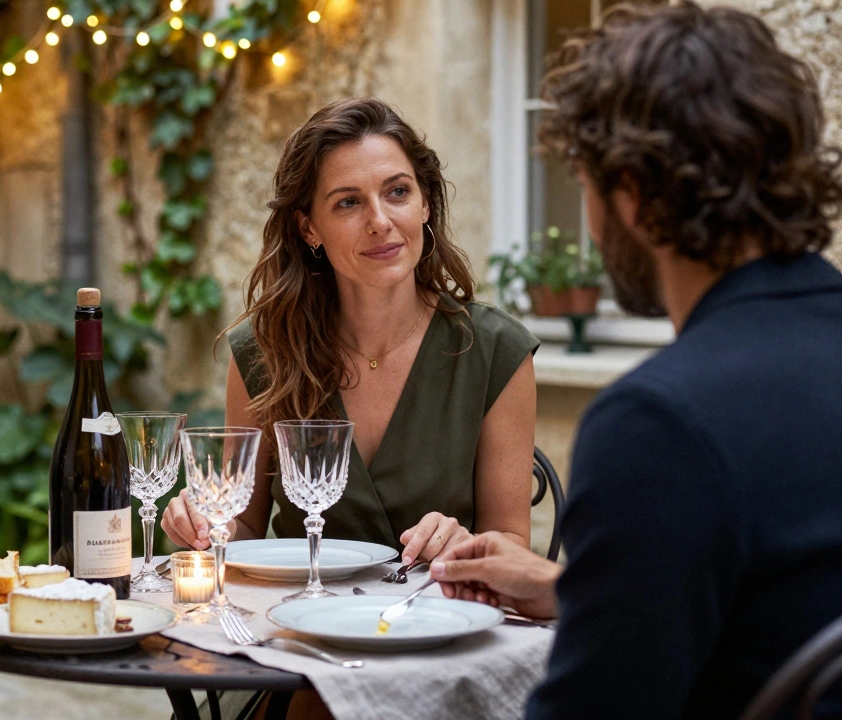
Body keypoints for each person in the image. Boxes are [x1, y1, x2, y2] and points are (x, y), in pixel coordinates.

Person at [428, 3, 842, 718]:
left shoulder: (660, 424)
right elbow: (787, 599)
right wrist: (576, 590)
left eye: (582, 184)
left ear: (631, 194)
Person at [160, 97, 540, 566]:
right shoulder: (263, 354)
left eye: (397, 192)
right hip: (297, 624)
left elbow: (512, 541)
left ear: (425, 204)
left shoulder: (497, 351)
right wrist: (200, 521)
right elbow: (245, 528)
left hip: (436, 620)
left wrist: (465, 543)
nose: (380, 222)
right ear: (309, 228)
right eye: (348, 202)